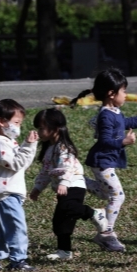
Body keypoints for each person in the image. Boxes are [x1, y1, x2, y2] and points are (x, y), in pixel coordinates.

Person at [70, 68, 137, 253]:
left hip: (106, 161)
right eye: (124, 91)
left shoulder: (114, 111)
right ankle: (106, 233)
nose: (126, 95)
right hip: (102, 162)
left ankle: (80, 181)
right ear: (111, 94)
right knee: (118, 196)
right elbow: (104, 140)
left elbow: (124, 123)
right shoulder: (105, 115)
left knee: (106, 194)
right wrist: (123, 142)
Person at [29, 109, 109, 261]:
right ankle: (64, 251)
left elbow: (67, 167)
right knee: (61, 221)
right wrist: (37, 188)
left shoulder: (64, 148)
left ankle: (94, 213)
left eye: (41, 128)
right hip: (63, 187)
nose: (38, 131)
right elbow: (45, 171)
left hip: (74, 185)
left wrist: (64, 183)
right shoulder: (49, 149)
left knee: (68, 208)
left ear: (55, 129)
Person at [0, 99, 39, 272]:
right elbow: (15, 164)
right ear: (1, 121)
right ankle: (18, 261)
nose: (18, 127)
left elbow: (22, 163)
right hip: (5, 193)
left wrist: (28, 146)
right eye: (16, 122)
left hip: (11, 193)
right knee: (17, 227)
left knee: (7, 230)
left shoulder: (8, 142)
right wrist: (28, 145)